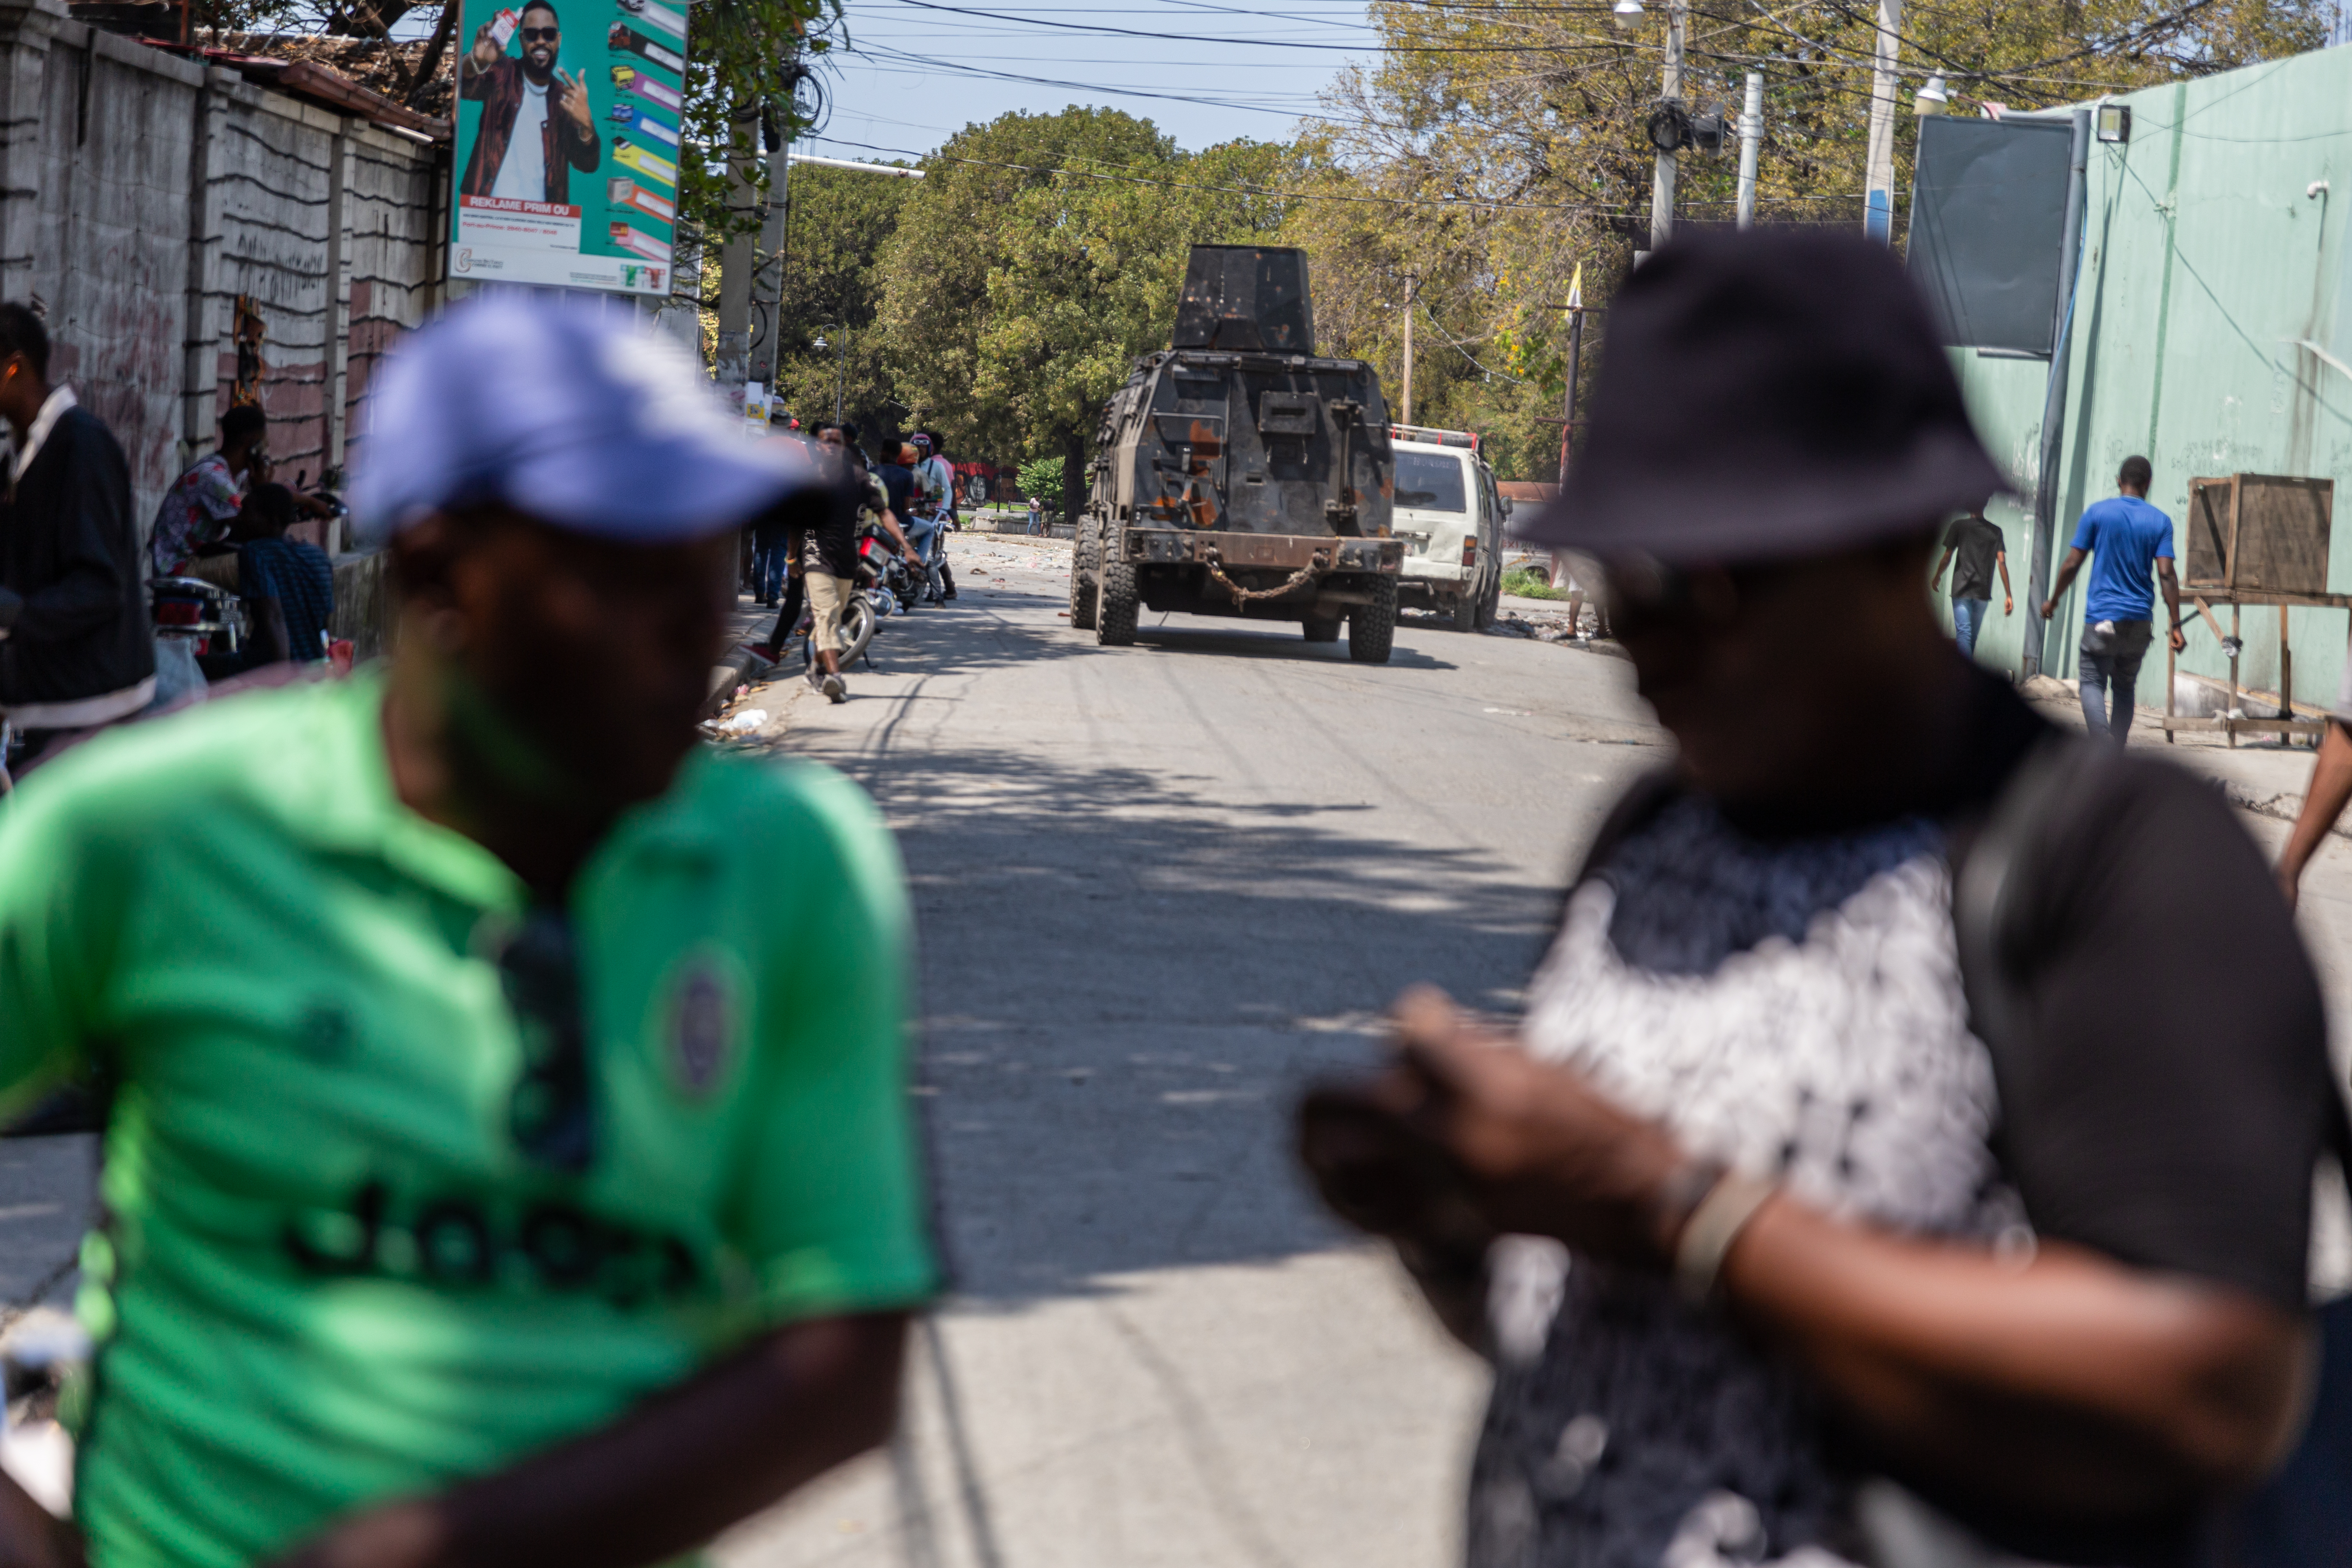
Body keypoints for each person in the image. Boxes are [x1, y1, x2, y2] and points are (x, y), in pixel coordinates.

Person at [1295, 230, 2336, 1568]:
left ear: (1895, 541)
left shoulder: (2116, 858)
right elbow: (1588, 1331)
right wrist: (1452, 1214)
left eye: (1694, 581)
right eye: (1623, 578)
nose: (1640, 637)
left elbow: (2213, 1387)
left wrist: (1672, 1205)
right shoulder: (1655, 828)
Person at [0, 297, 933, 1566]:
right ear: (442, 577)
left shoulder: (795, 869)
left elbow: (841, 1354)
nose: (696, 631)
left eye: (709, 566)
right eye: (628, 576)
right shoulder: (150, 830)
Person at [0, 302, 155, 776]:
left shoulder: (82, 447)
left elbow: (98, 586)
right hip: (45, 702)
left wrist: (15, 613)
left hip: (90, 709)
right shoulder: (18, 457)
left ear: (14, 367)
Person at [2039, 457, 2185, 746]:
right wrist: (2177, 625)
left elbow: (2072, 564)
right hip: (2140, 621)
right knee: (2124, 687)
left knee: (2092, 682)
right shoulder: (2160, 521)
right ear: (2148, 484)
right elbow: (2167, 574)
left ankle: (2102, 742)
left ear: (2119, 481)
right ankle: (2115, 752)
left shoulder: (2097, 513)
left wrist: (2053, 600)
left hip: (2102, 619)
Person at [459, 0, 601, 205]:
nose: (541, 41)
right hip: (486, 220)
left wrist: (587, 126)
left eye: (549, 34)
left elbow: (588, 164)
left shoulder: (565, 99)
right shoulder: (502, 73)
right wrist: (477, 61)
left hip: (541, 228)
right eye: (532, 34)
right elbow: (465, 85)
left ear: (559, 39)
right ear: (522, 40)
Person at [152, 402, 267, 582]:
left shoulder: (228, 471)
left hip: (194, 559)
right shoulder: (215, 477)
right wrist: (263, 488)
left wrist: (307, 501)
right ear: (251, 442)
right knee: (261, 567)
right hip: (179, 566)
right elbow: (251, 529)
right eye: (262, 443)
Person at [233, 480, 336, 668]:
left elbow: (274, 618)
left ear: (271, 520)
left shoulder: (255, 552)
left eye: (246, 512)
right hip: (314, 666)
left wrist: (283, 682)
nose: (239, 518)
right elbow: (323, 625)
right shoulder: (318, 556)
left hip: (275, 671)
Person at [1929, 500, 2011, 659]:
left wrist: (1938, 576)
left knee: (1964, 634)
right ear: (1986, 504)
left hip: (1961, 590)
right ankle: (1966, 674)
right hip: (1982, 592)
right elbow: (2002, 562)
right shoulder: (1996, 531)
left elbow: (1947, 557)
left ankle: (1962, 676)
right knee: (1971, 637)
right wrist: (2009, 595)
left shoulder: (1959, 526)